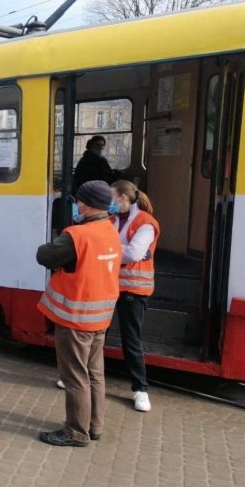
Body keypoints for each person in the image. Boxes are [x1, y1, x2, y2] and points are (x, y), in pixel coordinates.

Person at [36, 180, 121, 447]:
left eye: (78, 200)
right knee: (95, 373)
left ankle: (75, 432)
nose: (76, 204)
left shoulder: (78, 235)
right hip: (101, 319)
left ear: (84, 204)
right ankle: (94, 426)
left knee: (74, 377)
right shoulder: (110, 231)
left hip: (76, 319)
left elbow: (45, 256)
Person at [111, 180, 160, 413]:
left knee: (131, 340)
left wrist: (106, 247)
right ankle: (80, 377)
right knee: (94, 333)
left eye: (112, 197)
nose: (109, 202)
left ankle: (140, 389)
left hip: (133, 291)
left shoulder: (145, 223)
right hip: (109, 285)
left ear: (122, 198)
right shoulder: (112, 218)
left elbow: (132, 254)